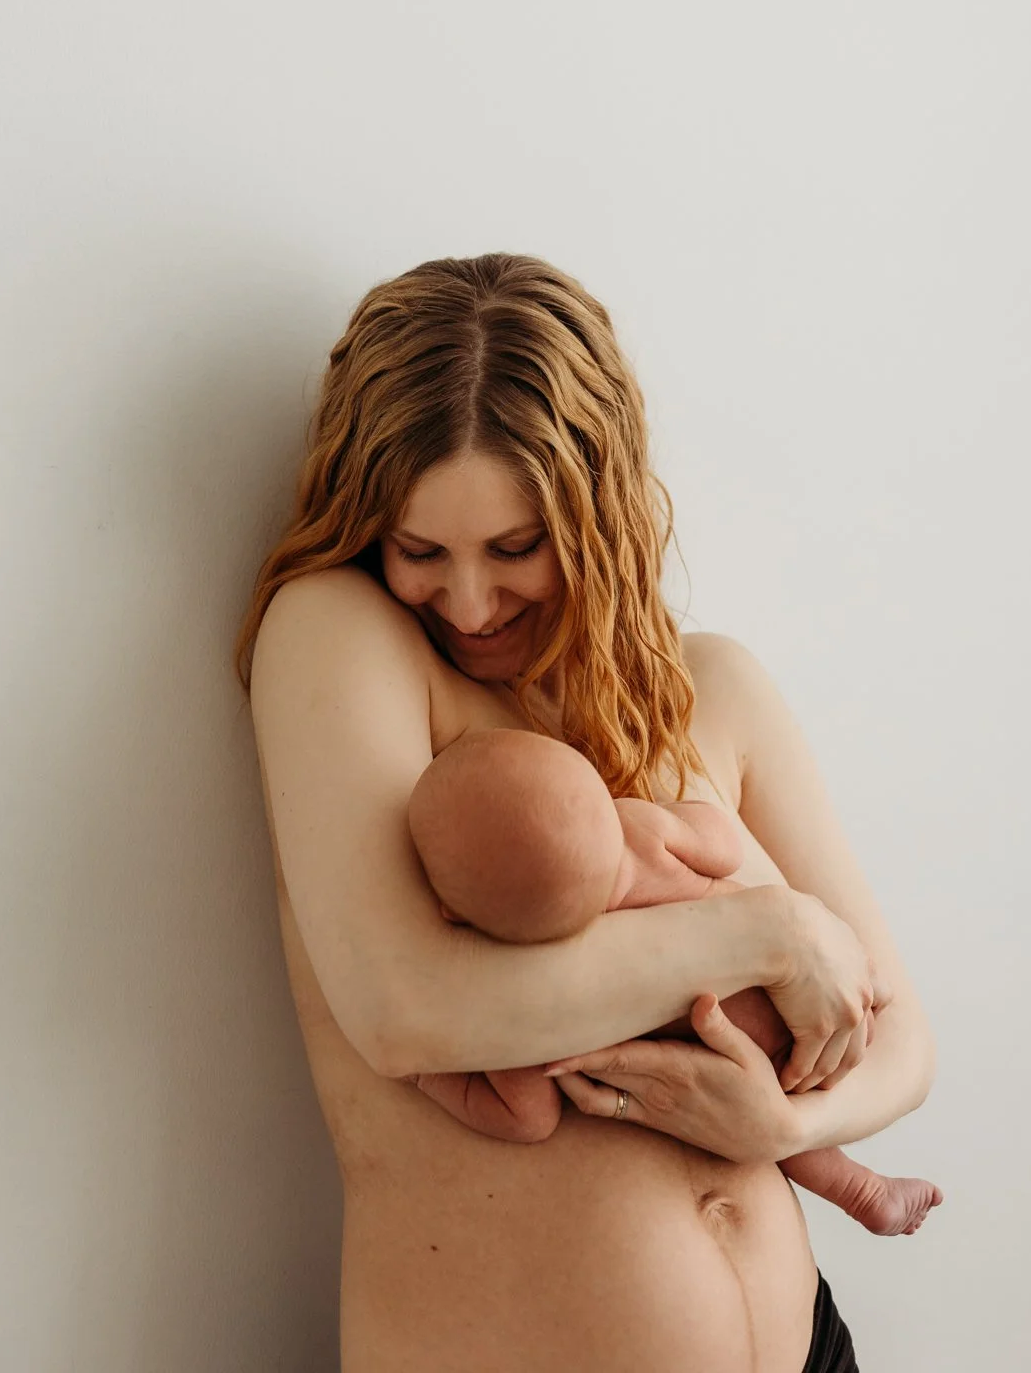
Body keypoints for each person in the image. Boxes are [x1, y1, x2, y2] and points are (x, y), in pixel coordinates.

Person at [237, 251, 938, 1373]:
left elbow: (901, 1040)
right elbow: (406, 1006)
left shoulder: (710, 691)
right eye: (422, 550)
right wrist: (766, 932)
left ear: (599, 513)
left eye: (516, 549)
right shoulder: (340, 636)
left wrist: (784, 1131)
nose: (467, 601)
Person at [404, 723, 942, 1237]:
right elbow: (724, 843)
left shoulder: (525, 1003)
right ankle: (866, 1165)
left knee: (780, 1126)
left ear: (452, 913)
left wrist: (428, 1076)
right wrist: (677, 816)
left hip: (759, 1056)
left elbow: (529, 1118)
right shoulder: (639, 837)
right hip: (818, 1012)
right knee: (776, 1102)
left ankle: (861, 1190)